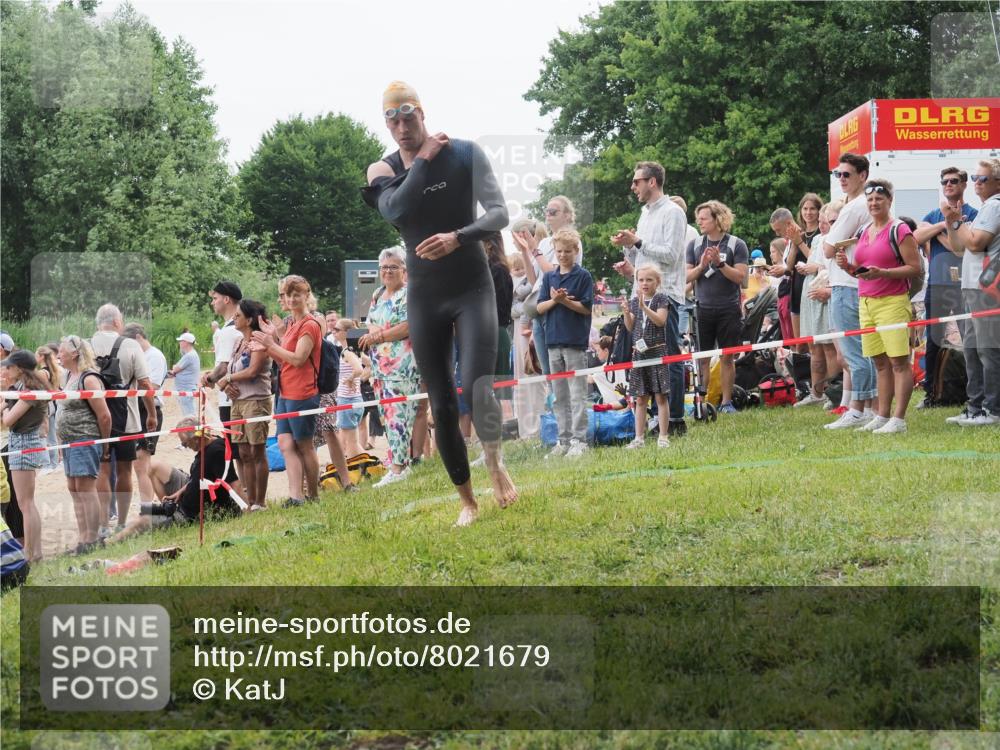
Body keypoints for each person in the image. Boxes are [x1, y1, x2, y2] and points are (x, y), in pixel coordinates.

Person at [362, 81, 515, 526]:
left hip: (471, 284)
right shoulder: (382, 170)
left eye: (409, 117)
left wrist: (458, 237)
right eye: (392, 119)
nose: (402, 127)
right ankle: (467, 500)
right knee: (442, 402)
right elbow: (396, 209)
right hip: (425, 295)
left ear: (422, 113)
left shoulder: (465, 152)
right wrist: (424, 158)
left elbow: (499, 213)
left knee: (477, 384)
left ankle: (494, 461)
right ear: (386, 122)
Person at [834, 179, 922, 433]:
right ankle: (882, 416)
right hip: (866, 302)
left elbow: (914, 268)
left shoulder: (900, 229)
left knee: (899, 363)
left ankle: (899, 419)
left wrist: (882, 272)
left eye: (879, 199)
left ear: (889, 201)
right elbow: (864, 274)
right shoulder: (863, 231)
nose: (873, 203)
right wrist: (848, 268)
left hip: (892, 303)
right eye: (870, 199)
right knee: (880, 363)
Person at [612, 161, 689, 437]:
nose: (633, 187)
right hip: (640, 296)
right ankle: (656, 418)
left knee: (668, 358)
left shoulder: (673, 213)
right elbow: (644, 256)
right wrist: (628, 254)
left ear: (652, 182)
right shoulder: (645, 214)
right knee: (645, 358)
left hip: (665, 294)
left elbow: (670, 254)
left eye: (637, 181)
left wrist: (638, 242)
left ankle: (676, 418)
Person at [109, 417, 241, 543]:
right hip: (189, 494)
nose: (185, 445)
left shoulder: (216, 452)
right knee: (155, 468)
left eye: (185, 443)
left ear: (196, 438)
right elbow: (199, 478)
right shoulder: (210, 443)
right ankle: (167, 511)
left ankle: (108, 543)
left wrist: (245, 509)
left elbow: (233, 482)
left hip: (192, 513)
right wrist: (180, 492)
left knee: (141, 521)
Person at [253, 275, 323, 507]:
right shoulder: (292, 325)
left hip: (302, 393)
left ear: (307, 295)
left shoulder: (310, 324)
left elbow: (299, 359)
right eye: (288, 294)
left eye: (297, 294)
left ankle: (313, 494)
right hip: (284, 391)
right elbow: (285, 362)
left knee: (305, 445)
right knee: (284, 443)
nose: (292, 299)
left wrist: (271, 345)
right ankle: (296, 496)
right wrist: (267, 345)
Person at [941, 158, 1000, 426]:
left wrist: (956, 224)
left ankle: (992, 409)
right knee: (973, 350)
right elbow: (958, 248)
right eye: (975, 177)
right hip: (973, 286)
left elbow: (975, 243)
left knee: (987, 351)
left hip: (986, 287)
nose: (976, 182)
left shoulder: (994, 206)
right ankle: (975, 406)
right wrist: (952, 222)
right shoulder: (985, 209)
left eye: (982, 179)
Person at [914, 168, 979, 409]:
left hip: (966, 284)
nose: (949, 185)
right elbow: (915, 236)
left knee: (970, 338)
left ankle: (975, 393)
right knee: (933, 340)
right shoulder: (934, 214)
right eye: (945, 182)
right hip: (938, 285)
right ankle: (930, 393)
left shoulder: (975, 213)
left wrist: (941, 232)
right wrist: (945, 222)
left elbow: (963, 247)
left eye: (954, 181)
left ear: (964, 184)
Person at [823, 153, 878, 429]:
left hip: (847, 284)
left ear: (863, 176)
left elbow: (828, 248)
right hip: (855, 282)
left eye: (847, 174)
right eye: (838, 174)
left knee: (854, 353)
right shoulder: (859, 205)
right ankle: (867, 407)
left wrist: (833, 243)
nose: (842, 179)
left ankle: (858, 408)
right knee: (863, 351)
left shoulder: (856, 207)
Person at [356, 248, 420, 486]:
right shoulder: (377, 293)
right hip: (379, 366)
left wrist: (378, 337)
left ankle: (399, 468)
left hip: (402, 365)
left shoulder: (409, 293)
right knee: (386, 416)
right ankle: (397, 462)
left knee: (399, 417)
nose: (388, 271)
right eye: (384, 267)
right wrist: (374, 337)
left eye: (393, 267)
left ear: (404, 270)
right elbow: (371, 322)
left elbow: (408, 326)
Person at [91, 303, 156, 530]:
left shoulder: (87, 345)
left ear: (99, 322)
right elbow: (145, 383)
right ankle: (120, 522)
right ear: (118, 322)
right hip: (127, 419)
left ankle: (102, 524)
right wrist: (151, 414)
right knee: (125, 471)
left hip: (97, 419)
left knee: (103, 469)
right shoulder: (130, 345)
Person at [685, 200, 749, 414]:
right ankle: (702, 403)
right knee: (701, 357)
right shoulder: (694, 245)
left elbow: (741, 278)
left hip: (728, 308)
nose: (699, 222)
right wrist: (703, 265)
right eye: (698, 218)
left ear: (717, 219)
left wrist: (720, 264)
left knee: (727, 357)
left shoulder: (735, 244)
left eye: (704, 218)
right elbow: (687, 276)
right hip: (702, 308)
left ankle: (726, 402)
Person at [537, 228, 594, 458]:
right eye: (559, 251)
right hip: (553, 342)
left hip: (574, 342)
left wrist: (565, 302)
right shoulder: (549, 277)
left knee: (577, 393)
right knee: (559, 395)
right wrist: (554, 300)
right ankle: (563, 439)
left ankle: (580, 440)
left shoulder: (583, 276)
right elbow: (539, 307)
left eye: (567, 251)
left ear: (575, 251)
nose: (562, 255)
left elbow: (586, 308)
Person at [512, 196, 579, 380]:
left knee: (560, 370)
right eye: (546, 211)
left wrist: (535, 250)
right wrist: (526, 251)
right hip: (540, 310)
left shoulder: (573, 242)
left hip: (559, 312)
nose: (548, 215)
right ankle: (554, 408)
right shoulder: (543, 243)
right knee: (547, 372)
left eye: (553, 211)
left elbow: (556, 276)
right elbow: (535, 281)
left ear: (567, 215)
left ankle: (564, 408)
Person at [56, 336, 111, 553]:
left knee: (85, 488)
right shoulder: (68, 376)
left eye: (61, 351)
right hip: (70, 442)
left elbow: (104, 415)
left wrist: (104, 445)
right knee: (74, 488)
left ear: (75, 353)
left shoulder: (89, 379)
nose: (58, 354)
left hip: (85, 438)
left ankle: (93, 539)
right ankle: (83, 539)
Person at [218, 299, 274, 507]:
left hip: (256, 401)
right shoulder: (238, 342)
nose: (234, 317)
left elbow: (253, 371)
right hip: (238, 403)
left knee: (257, 451)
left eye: (239, 315)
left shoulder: (258, 342)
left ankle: (260, 501)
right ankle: (250, 501)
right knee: (243, 452)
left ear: (250, 319)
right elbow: (231, 371)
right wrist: (225, 385)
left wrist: (230, 380)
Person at [0, 350, 49, 561]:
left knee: (25, 504)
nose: (7, 369)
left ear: (19, 368)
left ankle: (30, 553)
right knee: (27, 503)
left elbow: (8, 420)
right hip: (24, 441)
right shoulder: (26, 387)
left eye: (10, 366)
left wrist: (4, 406)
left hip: (24, 441)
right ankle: (34, 551)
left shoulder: (30, 389)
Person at [797, 203, 843, 407]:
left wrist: (814, 267)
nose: (823, 225)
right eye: (823, 222)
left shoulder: (836, 240)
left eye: (827, 222)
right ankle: (816, 393)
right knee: (814, 349)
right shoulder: (816, 239)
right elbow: (812, 261)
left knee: (829, 349)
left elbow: (826, 266)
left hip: (825, 294)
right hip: (811, 294)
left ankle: (834, 392)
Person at [621, 265, 671, 449]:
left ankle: (663, 436)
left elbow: (660, 320)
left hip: (657, 353)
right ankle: (639, 437)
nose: (644, 283)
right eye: (641, 280)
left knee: (660, 397)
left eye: (649, 279)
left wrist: (644, 307)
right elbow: (630, 326)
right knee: (640, 398)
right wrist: (627, 312)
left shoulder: (661, 299)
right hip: (639, 355)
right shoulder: (635, 301)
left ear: (657, 282)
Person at [122, 323, 167, 506]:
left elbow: (152, 386)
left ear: (139, 337)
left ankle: (147, 506)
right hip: (133, 409)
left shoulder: (154, 356)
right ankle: (147, 505)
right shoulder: (135, 355)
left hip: (148, 409)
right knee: (136, 464)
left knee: (141, 463)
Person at [508, 245, 546, 440]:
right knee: (523, 374)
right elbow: (513, 306)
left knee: (533, 370)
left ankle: (539, 425)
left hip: (528, 326)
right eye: (516, 269)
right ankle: (526, 426)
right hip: (520, 326)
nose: (520, 271)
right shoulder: (513, 282)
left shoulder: (528, 279)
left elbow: (530, 291)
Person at [201, 281, 244, 425]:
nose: (212, 303)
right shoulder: (239, 326)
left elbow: (223, 367)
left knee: (233, 446)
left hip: (230, 398)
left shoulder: (229, 331)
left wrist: (208, 379)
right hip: (240, 395)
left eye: (215, 298)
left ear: (226, 300)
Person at [787, 194, 823, 342]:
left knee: (815, 343)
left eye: (812, 209)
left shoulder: (822, 234)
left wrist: (800, 242)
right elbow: (789, 266)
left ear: (819, 211)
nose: (808, 212)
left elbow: (815, 259)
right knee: (800, 343)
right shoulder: (798, 233)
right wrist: (795, 243)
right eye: (805, 209)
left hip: (814, 287)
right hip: (797, 287)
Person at [34, 344, 63, 474]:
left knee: (42, 434)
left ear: (41, 357)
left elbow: (47, 390)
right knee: (51, 435)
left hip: (44, 405)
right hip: (52, 405)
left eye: (36, 355)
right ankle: (54, 462)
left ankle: (46, 464)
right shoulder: (53, 371)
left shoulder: (41, 372)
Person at [168, 331, 201, 417]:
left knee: (189, 415)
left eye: (181, 341)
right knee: (189, 413)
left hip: (185, 388)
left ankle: (192, 430)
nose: (179, 343)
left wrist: (175, 369)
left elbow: (175, 369)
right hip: (187, 388)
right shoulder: (191, 354)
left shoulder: (189, 355)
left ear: (186, 342)